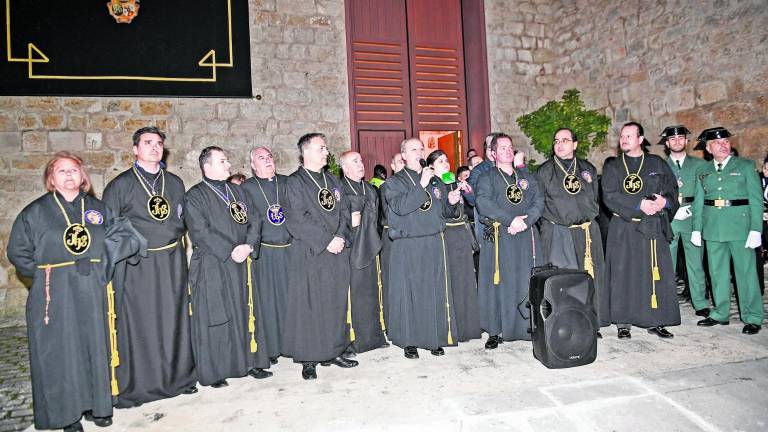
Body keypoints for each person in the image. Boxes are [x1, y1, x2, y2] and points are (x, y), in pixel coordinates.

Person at [8, 152, 144, 432]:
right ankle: (67, 415)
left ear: (82, 177)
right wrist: (47, 275)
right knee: (62, 352)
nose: (69, 175)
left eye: (74, 170)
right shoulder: (35, 212)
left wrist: (103, 263)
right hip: (55, 292)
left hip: (91, 289)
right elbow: (18, 251)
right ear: (51, 178)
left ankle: (99, 406)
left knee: (94, 347)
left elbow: (125, 235)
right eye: (62, 171)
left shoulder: (98, 209)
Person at [102, 127, 197, 408]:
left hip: (171, 262)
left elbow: (182, 222)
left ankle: (179, 378)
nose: (154, 147)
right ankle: (141, 384)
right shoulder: (119, 186)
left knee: (174, 319)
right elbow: (109, 231)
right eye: (147, 143)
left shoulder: (176, 183)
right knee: (142, 322)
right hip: (137, 267)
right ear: (135, 149)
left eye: (158, 143)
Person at [184, 146, 271, 388]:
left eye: (227, 161)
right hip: (214, 263)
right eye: (222, 161)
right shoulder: (195, 196)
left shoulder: (238, 191)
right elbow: (200, 231)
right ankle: (217, 370)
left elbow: (256, 219)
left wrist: (249, 246)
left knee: (246, 311)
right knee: (218, 317)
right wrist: (231, 249)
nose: (229, 165)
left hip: (242, 260)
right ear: (207, 166)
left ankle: (249, 362)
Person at [282, 133, 358, 380]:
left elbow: (345, 211)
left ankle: (333, 350)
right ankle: (310, 357)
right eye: (321, 148)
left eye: (326, 148)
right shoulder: (294, 182)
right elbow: (297, 218)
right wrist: (327, 240)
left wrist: (342, 237)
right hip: (310, 252)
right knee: (311, 304)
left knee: (335, 302)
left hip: (336, 251)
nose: (326, 152)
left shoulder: (332, 180)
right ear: (306, 152)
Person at [384, 138, 462, 358]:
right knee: (410, 293)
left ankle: (432, 336)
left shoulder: (435, 181)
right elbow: (400, 208)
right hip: (409, 243)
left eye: (421, 148)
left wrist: (452, 202)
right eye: (413, 149)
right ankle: (409, 340)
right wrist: (421, 186)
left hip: (433, 241)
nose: (419, 152)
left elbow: (442, 212)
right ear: (404, 156)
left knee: (432, 291)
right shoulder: (394, 183)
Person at [602, 122, 680, 339]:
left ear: (641, 139)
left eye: (629, 136)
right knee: (624, 274)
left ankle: (655, 320)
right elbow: (610, 195)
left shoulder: (656, 163)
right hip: (623, 228)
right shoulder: (613, 167)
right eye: (622, 136)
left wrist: (665, 202)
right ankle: (623, 322)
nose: (624, 139)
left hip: (652, 228)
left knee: (652, 273)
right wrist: (639, 204)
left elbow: (672, 190)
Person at [692, 128, 764, 334]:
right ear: (708, 148)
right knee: (716, 273)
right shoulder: (703, 170)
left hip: (740, 227)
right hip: (712, 226)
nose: (723, 145)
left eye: (725, 141)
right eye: (717, 143)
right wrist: (697, 229)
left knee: (746, 273)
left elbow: (756, 200)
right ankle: (720, 313)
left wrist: (755, 229)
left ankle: (753, 316)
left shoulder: (746, 166)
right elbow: (699, 201)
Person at [475, 133, 544, 348]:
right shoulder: (487, 177)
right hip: (500, 236)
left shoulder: (525, 177)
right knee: (499, 283)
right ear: (493, 153)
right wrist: (509, 220)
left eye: (510, 147)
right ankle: (496, 330)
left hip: (525, 234)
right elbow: (483, 202)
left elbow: (538, 200)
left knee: (525, 281)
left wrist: (526, 221)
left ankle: (527, 326)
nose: (507, 151)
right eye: (502, 148)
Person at [536, 128, 607, 332]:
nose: (559, 144)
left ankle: (589, 321)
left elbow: (594, 199)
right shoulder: (545, 171)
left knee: (588, 280)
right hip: (558, 233)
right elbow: (539, 205)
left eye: (565, 140)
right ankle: (565, 323)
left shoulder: (587, 169)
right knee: (563, 281)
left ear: (575, 144)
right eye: (556, 140)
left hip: (585, 232)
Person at [241, 146, 291, 365]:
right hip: (266, 253)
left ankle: (293, 343)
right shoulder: (247, 188)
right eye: (262, 158)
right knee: (268, 303)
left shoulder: (287, 182)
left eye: (270, 156)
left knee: (293, 301)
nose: (268, 160)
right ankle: (271, 347)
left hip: (291, 250)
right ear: (253, 165)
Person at [427, 150, 481, 341]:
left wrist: (468, 193)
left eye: (447, 160)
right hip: (445, 235)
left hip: (461, 234)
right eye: (441, 161)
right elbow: (435, 211)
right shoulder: (432, 184)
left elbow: (469, 207)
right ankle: (452, 327)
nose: (446, 164)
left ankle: (469, 326)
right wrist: (448, 202)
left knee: (465, 279)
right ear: (431, 166)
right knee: (450, 281)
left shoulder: (452, 181)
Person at [657, 125, 709, 317]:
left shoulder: (699, 165)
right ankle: (666, 302)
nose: (677, 142)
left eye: (681, 138)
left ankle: (700, 302)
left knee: (695, 263)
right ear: (667, 143)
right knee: (666, 263)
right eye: (672, 139)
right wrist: (670, 209)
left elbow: (704, 192)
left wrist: (695, 212)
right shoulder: (659, 165)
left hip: (691, 216)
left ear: (686, 141)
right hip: (669, 217)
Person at [339, 151, 388, 353]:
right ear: (344, 167)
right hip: (351, 249)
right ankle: (353, 339)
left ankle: (374, 336)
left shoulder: (370, 189)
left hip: (370, 246)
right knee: (354, 295)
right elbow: (334, 220)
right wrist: (349, 224)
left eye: (360, 160)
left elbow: (377, 219)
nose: (361, 164)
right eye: (355, 161)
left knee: (372, 292)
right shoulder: (338, 189)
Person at [378, 153, 406, 329]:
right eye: (399, 162)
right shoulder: (387, 186)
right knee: (392, 280)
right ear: (392, 166)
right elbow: (391, 214)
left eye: (404, 162)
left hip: (410, 237)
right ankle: (392, 322)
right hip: (392, 236)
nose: (402, 165)